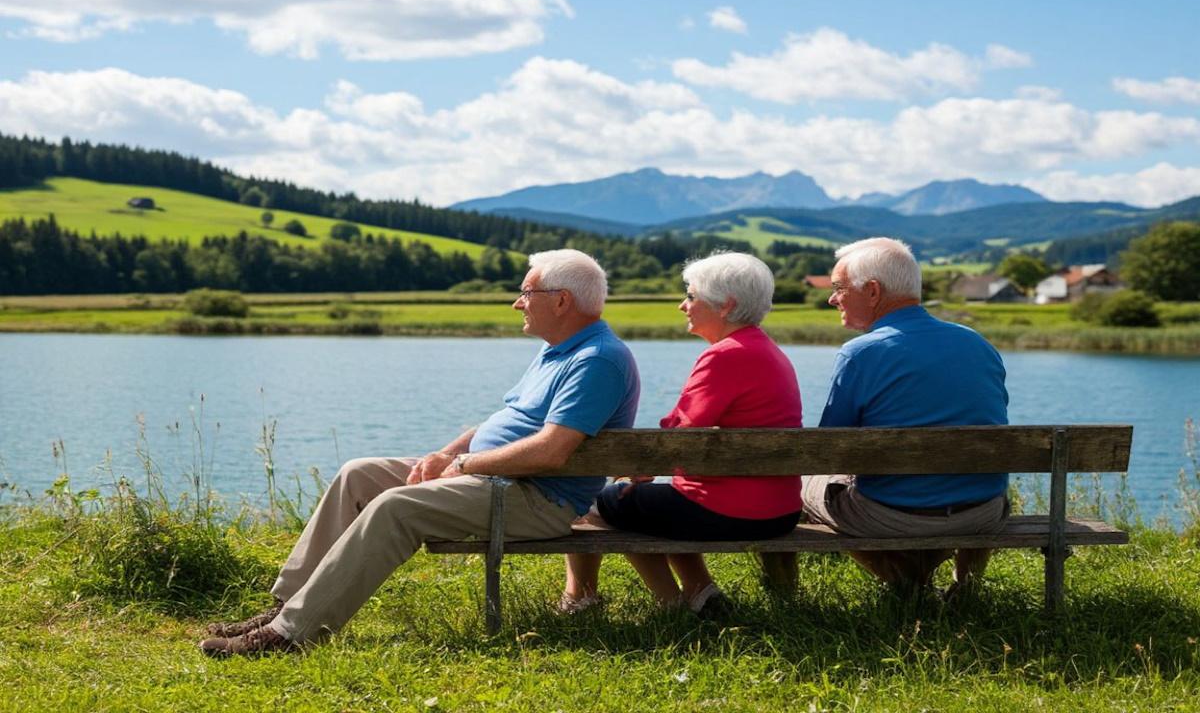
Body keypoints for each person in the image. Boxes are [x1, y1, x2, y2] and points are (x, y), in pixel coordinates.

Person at [200, 249, 640, 656]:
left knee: (396, 506)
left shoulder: (596, 360)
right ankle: (285, 606)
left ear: (561, 301)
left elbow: (551, 451)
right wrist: (442, 454)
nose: (517, 302)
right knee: (358, 475)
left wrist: (461, 464)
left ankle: (292, 634)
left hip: (536, 499)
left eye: (526, 292)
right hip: (494, 480)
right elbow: (498, 425)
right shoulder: (556, 352)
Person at [561, 252, 802, 614]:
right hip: (780, 509)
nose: (682, 305)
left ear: (726, 305)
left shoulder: (725, 356)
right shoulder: (766, 350)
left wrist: (640, 468)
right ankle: (700, 591)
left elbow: (679, 435)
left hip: (733, 511)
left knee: (599, 503)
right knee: (650, 499)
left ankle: (656, 602)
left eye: (691, 296)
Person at [802, 237, 1009, 594]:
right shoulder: (977, 343)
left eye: (839, 288)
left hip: (894, 516)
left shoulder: (861, 353)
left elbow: (829, 449)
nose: (832, 298)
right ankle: (966, 585)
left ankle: (904, 584)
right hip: (983, 511)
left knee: (806, 482)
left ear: (872, 291)